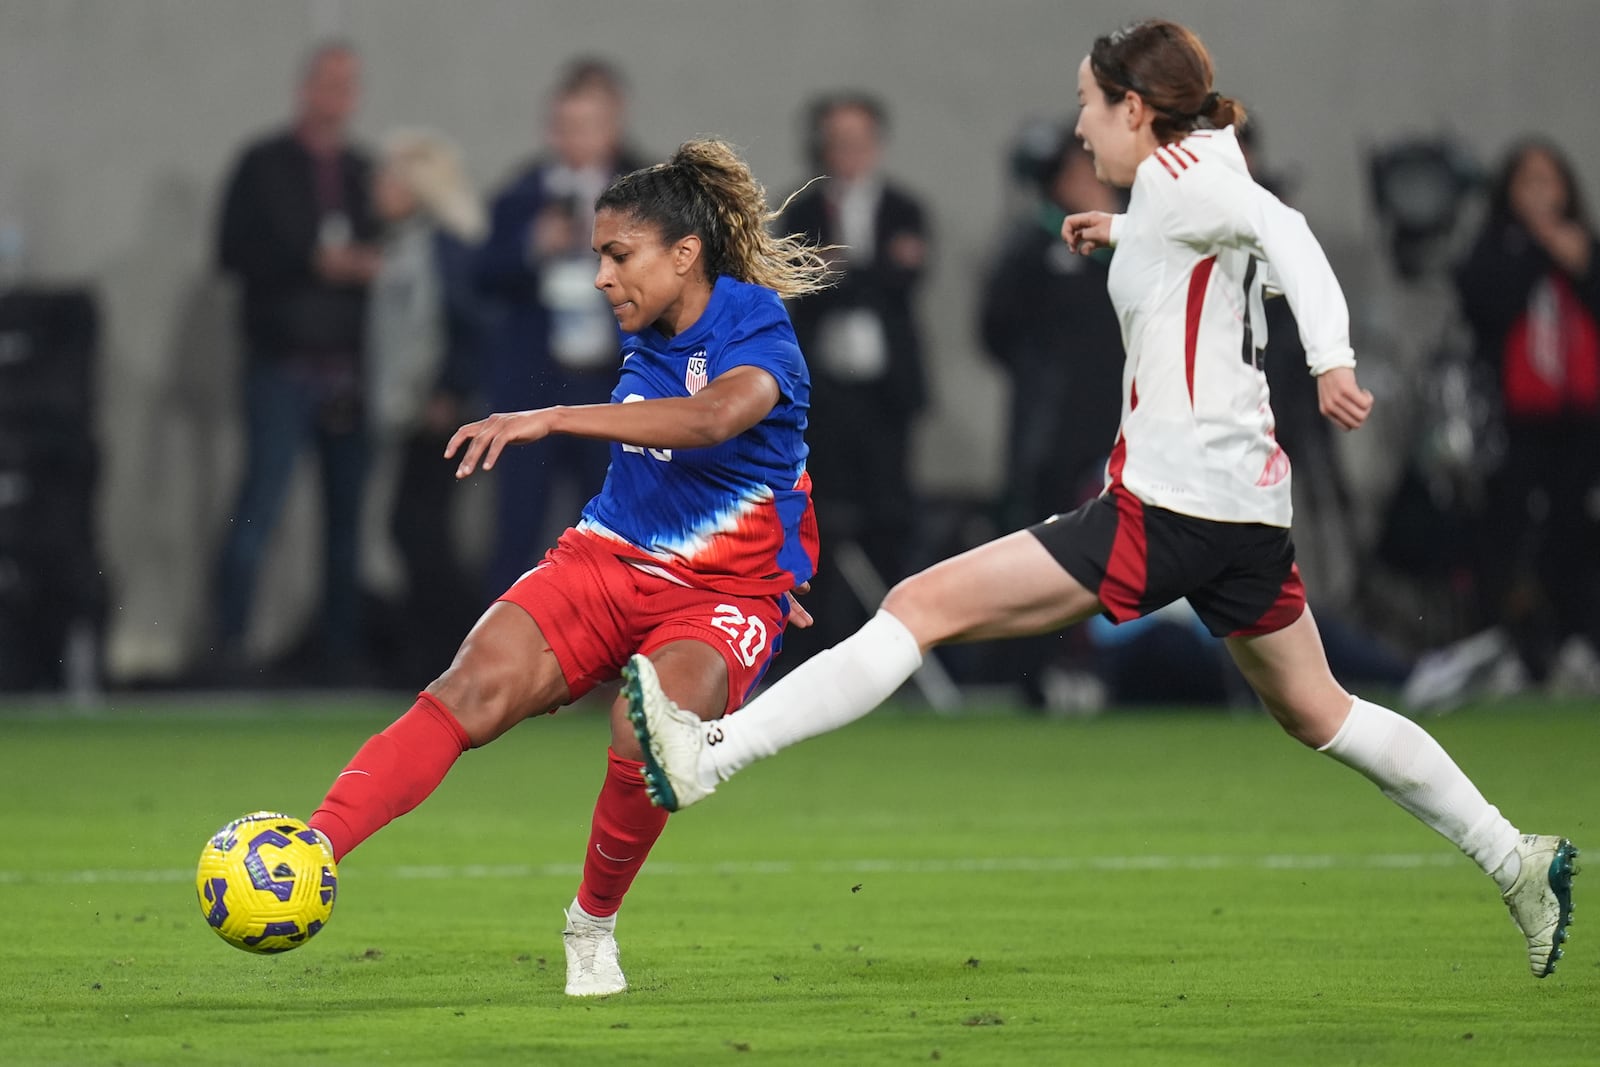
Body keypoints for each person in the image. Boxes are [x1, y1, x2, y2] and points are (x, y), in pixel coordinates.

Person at [624, 20, 1577, 980]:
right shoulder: (1186, 179)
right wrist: (1121, 233)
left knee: (917, 606)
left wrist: (1332, 362)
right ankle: (1516, 857)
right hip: (1241, 513)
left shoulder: (1182, 175)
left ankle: (712, 754)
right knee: (1320, 710)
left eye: (1089, 103)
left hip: (1173, 504)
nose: (1079, 128)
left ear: (1137, 108)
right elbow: (1217, 242)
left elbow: (1286, 232)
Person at [300, 139, 830, 997]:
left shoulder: (755, 323)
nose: (599, 277)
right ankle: (307, 850)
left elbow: (711, 421)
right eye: (596, 257)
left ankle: (591, 924)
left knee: (642, 729)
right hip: (606, 556)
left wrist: (550, 417)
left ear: (683, 254)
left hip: (722, 595)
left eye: (618, 255)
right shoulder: (650, 330)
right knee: (466, 689)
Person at [213, 41, 382, 681]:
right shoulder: (263, 166)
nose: (337, 95)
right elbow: (230, 253)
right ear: (305, 88)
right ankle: (228, 649)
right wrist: (311, 261)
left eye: (349, 84)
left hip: (349, 371)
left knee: (345, 523)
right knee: (258, 508)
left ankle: (339, 657)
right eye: (328, 82)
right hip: (282, 367)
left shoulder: (366, 173)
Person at [1413, 139, 1600, 703]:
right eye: (1529, 183)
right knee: (1505, 532)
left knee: (1575, 530)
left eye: (1551, 182)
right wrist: (1535, 245)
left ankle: (1579, 642)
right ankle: (1511, 647)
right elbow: (1483, 302)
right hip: (1513, 421)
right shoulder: (1496, 248)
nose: (1542, 194)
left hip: (1579, 419)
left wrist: (1570, 254)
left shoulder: (1583, 247)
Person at [475, 57, 649, 598]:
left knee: (618, 525)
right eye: (566, 126)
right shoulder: (523, 194)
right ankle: (500, 665)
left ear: (611, 129)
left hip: (612, 385)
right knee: (519, 523)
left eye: (589, 127)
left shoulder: (645, 197)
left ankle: (619, 658)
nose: (577, 139)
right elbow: (483, 275)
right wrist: (533, 247)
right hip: (536, 381)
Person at [775, 93, 931, 660]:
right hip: (823, 397)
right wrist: (871, 270)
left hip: (886, 397)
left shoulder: (905, 207)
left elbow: (902, 283)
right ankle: (816, 648)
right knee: (818, 518)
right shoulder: (800, 210)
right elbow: (799, 285)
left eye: (858, 141)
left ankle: (895, 648)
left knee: (890, 517)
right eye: (837, 142)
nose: (848, 153)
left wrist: (844, 270)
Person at [364, 129, 490, 681]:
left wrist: (450, 392)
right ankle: (449, 651)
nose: (378, 186)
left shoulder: (443, 246)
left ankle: (459, 650)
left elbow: (471, 325)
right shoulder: (409, 243)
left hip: (437, 411)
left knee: (419, 529)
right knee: (417, 528)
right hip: (416, 410)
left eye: (390, 175)